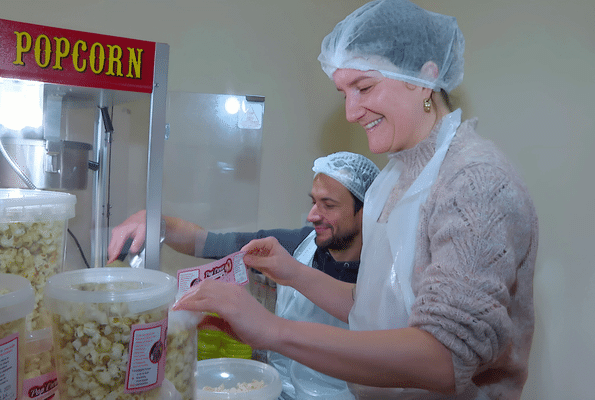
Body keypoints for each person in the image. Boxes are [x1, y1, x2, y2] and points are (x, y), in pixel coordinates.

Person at [173, 0, 539, 399]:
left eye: (364, 87)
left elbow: (443, 360)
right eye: (343, 92)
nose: (350, 111)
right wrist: (292, 272)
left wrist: (271, 330)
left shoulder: (474, 181)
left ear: (424, 79)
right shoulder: (393, 179)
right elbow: (374, 309)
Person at [107, 151, 380, 400]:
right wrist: (155, 222)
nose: (312, 215)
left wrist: (267, 327)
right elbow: (206, 242)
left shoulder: (384, 274)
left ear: (365, 212)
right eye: (313, 202)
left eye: (328, 205)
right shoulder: (300, 246)